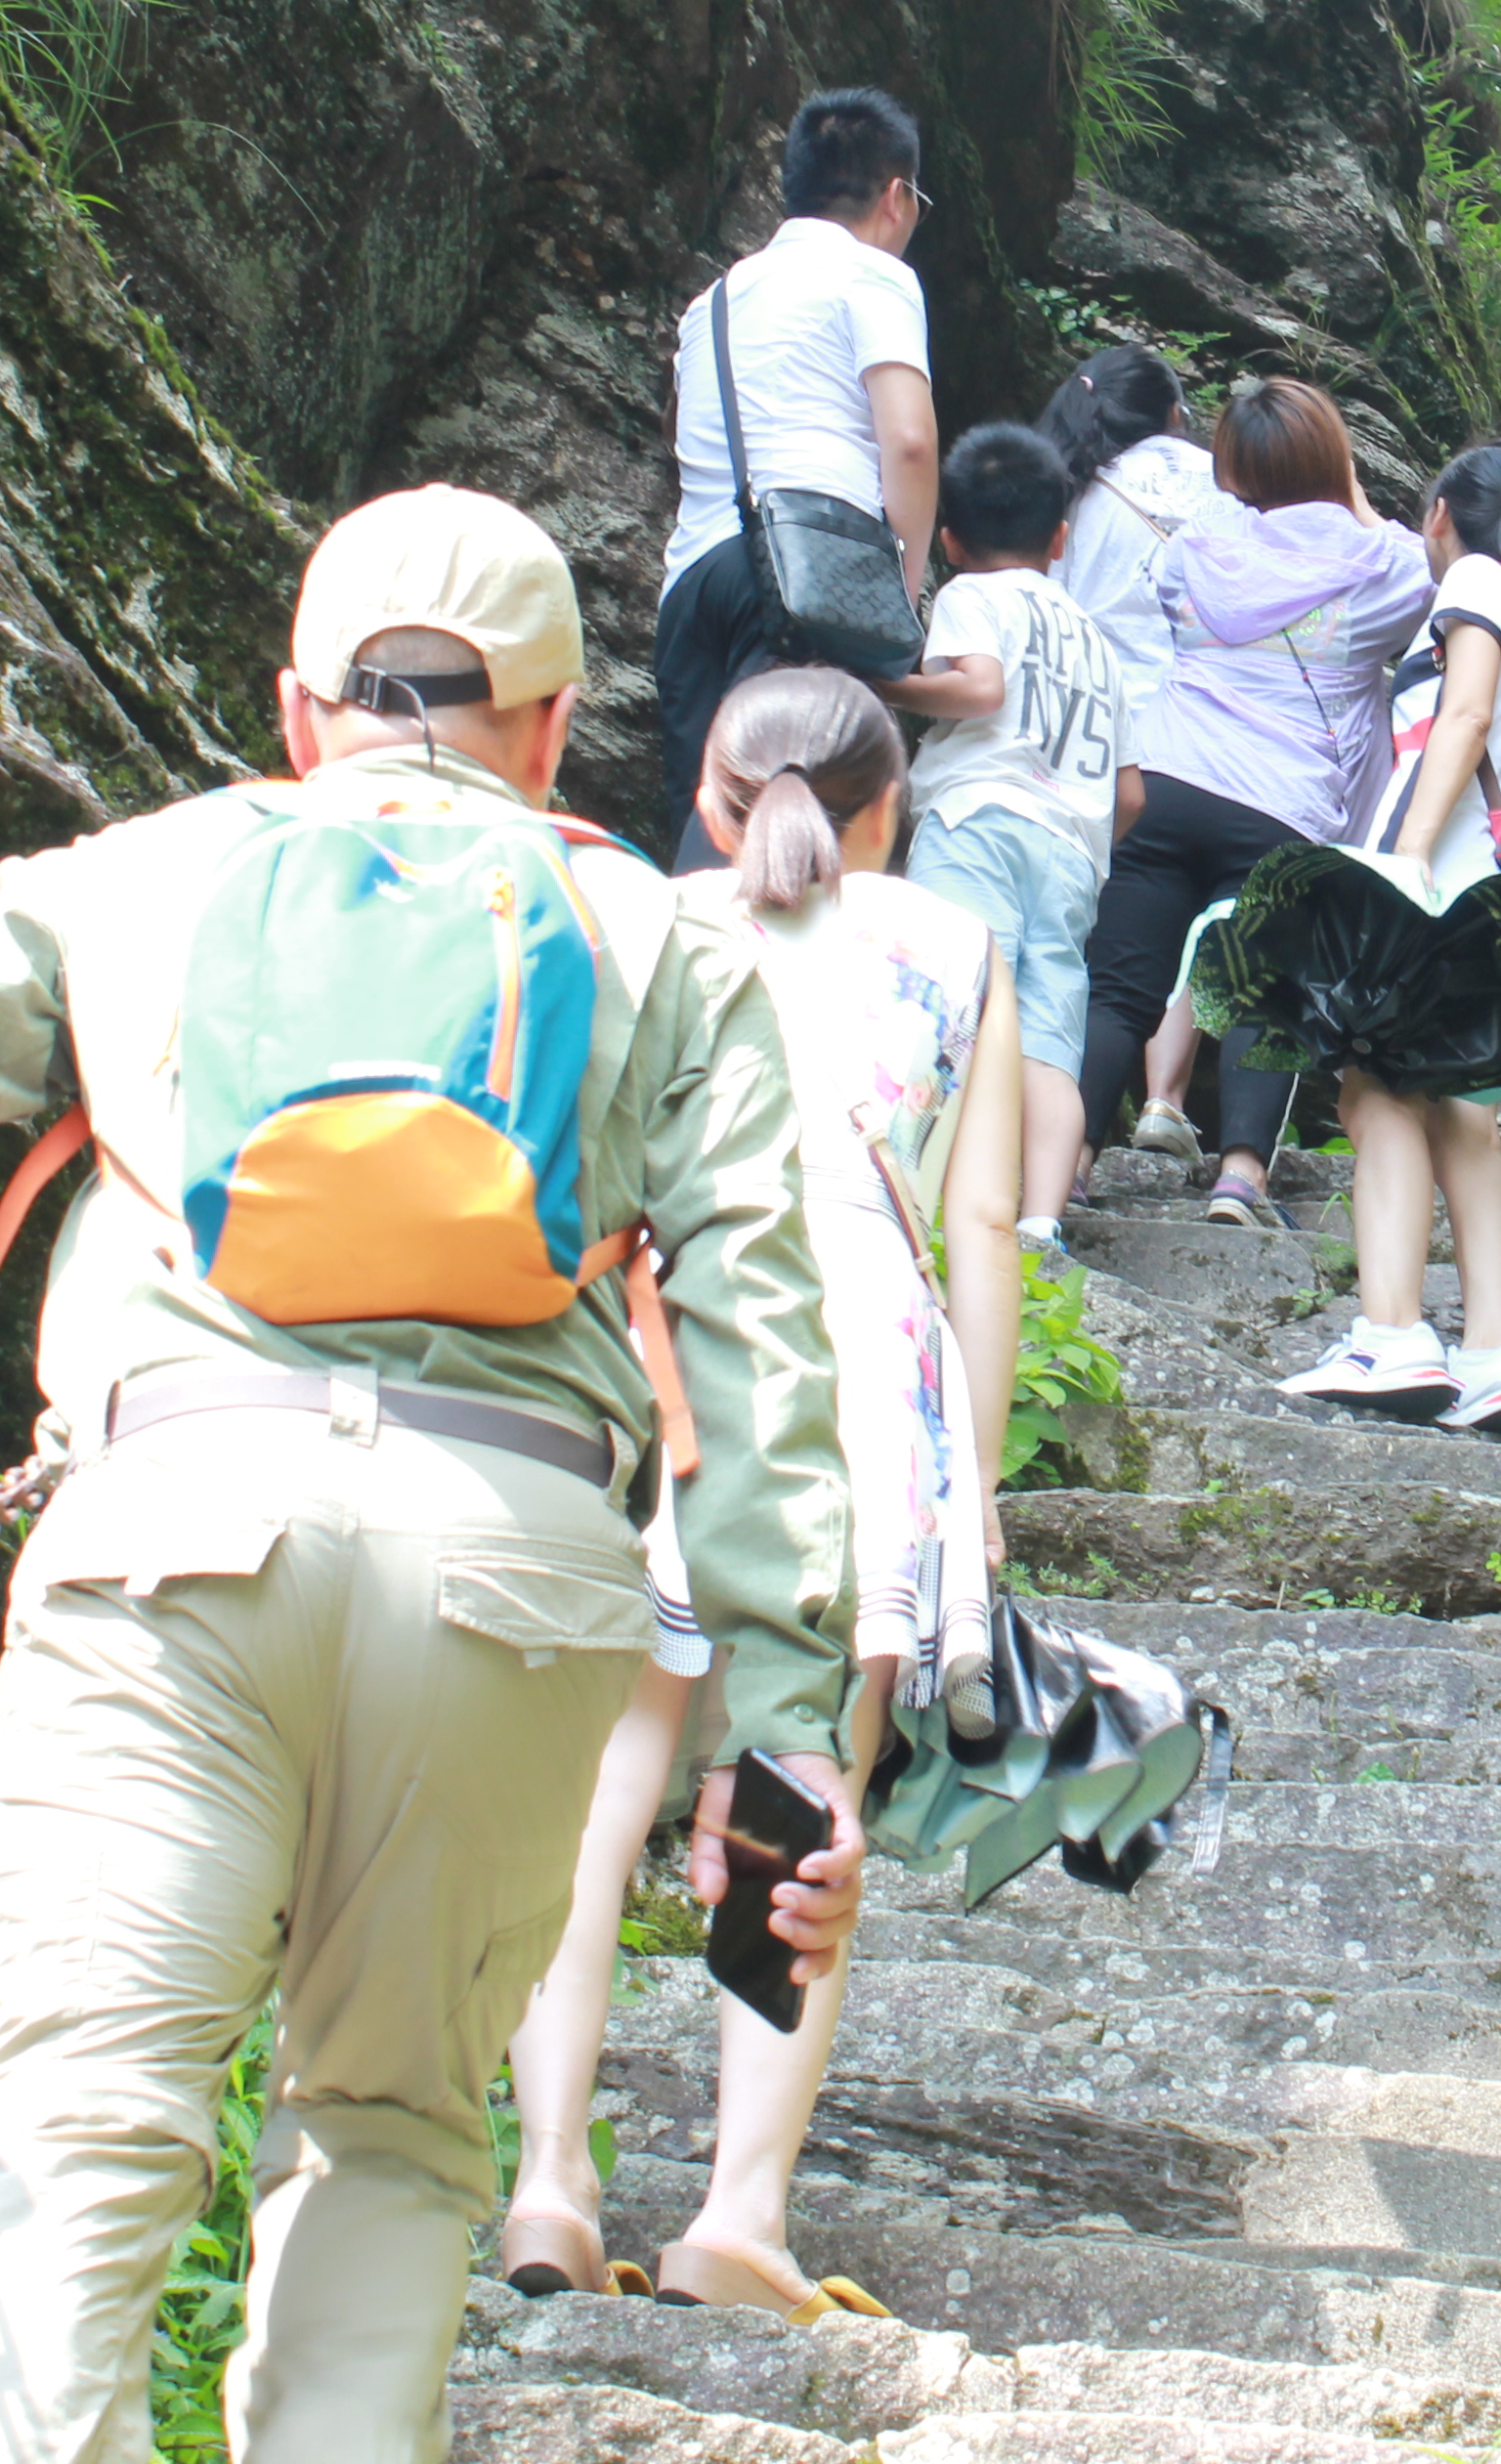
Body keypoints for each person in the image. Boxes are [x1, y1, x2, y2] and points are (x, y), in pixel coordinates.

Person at [0, 486, 870, 2463]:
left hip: (172, 1537)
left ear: (296, 704)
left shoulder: (128, 879)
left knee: (72, 2117)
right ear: (552, 720)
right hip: (513, 1583)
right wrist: (779, 1746)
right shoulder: (664, 947)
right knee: (395, 2135)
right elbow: (766, 1349)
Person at [496, 671, 1023, 2325]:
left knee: (599, 1783)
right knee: (798, 1797)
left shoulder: (639, 918)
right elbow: (987, 1224)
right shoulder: (952, 947)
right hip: (859, 1358)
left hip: (666, 1344)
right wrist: (980, 1478)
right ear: (890, 806)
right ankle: (738, 2208)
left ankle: (548, 2181)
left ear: (713, 795)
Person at [1195, 441, 1501, 1438]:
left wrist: (1404, 860)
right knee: (1466, 1121)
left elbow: (1461, 714)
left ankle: (1391, 1332)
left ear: (1439, 512)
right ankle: (1493, 1357)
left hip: (1434, 887)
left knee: (1372, 1089)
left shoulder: (1475, 580)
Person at [1074, 379, 1432, 1228]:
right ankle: (1240, 1179)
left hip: (1162, 779)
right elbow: (1418, 578)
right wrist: (1346, 489)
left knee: (1119, 991)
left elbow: (1166, 599)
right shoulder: (1382, 568)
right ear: (1334, 458)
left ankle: (1069, 1164)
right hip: (1281, 803)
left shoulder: (1195, 546)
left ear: (1228, 466)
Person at [659, 87, 937, 860]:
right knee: (788, 824)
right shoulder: (875, 277)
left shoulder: (709, 302)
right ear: (895, 195)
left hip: (693, 585)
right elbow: (909, 441)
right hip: (806, 575)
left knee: (711, 809)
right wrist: (899, 598)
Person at [891, 422, 1123, 1265]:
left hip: (976, 821)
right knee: (1048, 1037)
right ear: (1061, 539)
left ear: (949, 540)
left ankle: (919, 1189)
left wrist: (884, 681)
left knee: (951, 1002)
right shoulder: (1099, 642)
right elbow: (1128, 791)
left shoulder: (968, 595)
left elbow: (978, 689)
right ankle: (1037, 1224)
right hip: (1071, 853)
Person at [1041, 347, 1214, 1161]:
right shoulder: (1211, 480)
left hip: (1090, 735)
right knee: (1193, 926)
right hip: (1202, 734)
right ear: (1173, 413)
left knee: (1095, 947)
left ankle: (1060, 1149)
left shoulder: (1065, 487)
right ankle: (1166, 1098)